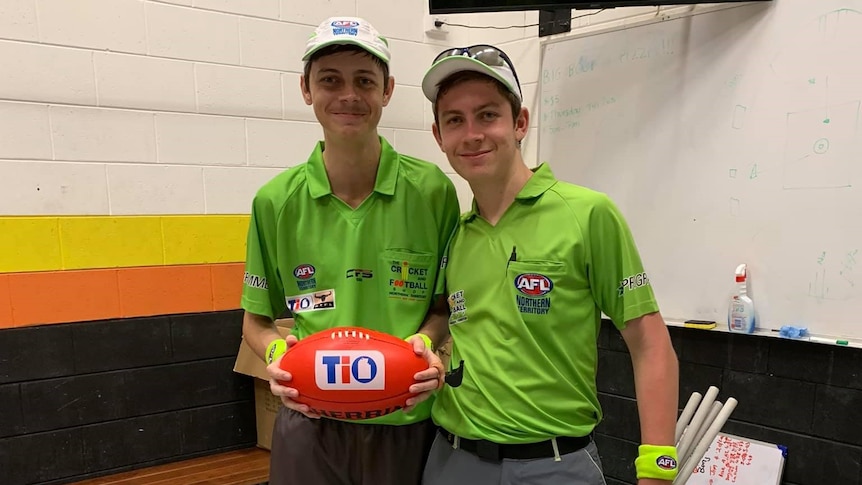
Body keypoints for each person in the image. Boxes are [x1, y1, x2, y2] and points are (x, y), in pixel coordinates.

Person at [419, 44, 680, 485]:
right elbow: (448, 315)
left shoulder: (588, 214)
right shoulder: (456, 234)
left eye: (487, 115)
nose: (472, 134)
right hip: (452, 460)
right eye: (455, 121)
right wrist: (425, 342)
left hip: (555, 466)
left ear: (519, 122)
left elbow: (650, 343)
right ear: (438, 136)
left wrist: (658, 467)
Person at [239, 17, 460, 485]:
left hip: (406, 420)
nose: (348, 95)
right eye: (330, 80)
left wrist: (426, 342)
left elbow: (442, 309)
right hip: (309, 422)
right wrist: (278, 353)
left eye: (364, 81)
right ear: (305, 89)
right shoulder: (274, 201)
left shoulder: (433, 191)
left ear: (388, 90)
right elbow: (255, 321)